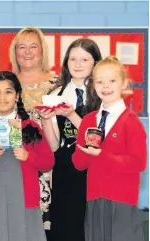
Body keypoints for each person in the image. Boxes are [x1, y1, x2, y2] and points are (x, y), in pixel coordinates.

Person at [0, 71, 54, 241]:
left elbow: (48, 162)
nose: (2, 97)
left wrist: (28, 156)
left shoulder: (30, 127)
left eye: (8, 92)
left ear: (17, 96)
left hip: (23, 202)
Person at [72, 56, 146, 241]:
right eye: (100, 81)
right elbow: (79, 164)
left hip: (122, 199)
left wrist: (102, 155)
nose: (106, 86)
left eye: (112, 80)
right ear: (93, 86)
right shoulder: (88, 120)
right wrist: (84, 150)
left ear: (124, 83)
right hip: (95, 198)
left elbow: (139, 163)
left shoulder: (131, 121)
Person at [37, 38, 102, 241]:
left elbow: (97, 138)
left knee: (92, 228)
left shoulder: (102, 94)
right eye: (72, 59)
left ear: (95, 63)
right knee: (66, 228)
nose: (77, 64)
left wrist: (72, 115)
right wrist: (46, 120)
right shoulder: (56, 94)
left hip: (95, 168)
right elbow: (54, 145)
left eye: (84, 59)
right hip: (65, 169)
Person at [9, 27, 59, 231]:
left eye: (33, 46)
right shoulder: (5, 82)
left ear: (42, 51)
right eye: (22, 46)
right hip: (13, 163)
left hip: (48, 166)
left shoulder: (58, 83)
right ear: (15, 52)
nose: (27, 52)